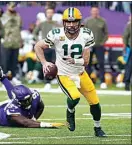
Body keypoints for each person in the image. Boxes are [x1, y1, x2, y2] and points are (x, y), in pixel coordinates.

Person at [34, 7, 106, 137]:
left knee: (95, 102)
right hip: (63, 74)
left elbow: (86, 60)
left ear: (79, 22)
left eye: (74, 21)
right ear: (64, 22)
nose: (71, 25)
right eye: (68, 21)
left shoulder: (86, 34)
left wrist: (75, 61)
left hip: (81, 73)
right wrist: (44, 62)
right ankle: (70, 111)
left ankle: (98, 127)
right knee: (75, 97)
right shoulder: (56, 34)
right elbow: (38, 46)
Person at [33, 7, 60, 90]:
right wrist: (38, 41)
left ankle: (60, 82)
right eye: (48, 12)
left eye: (51, 12)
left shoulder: (57, 24)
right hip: (46, 47)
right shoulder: (42, 23)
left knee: (58, 65)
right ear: (46, 14)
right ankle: (47, 82)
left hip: (56, 47)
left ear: (53, 14)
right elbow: (35, 32)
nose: (50, 14)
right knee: (46, 65)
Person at [84, 6, 108, 89]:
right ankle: (87, 82)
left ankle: (103, 82)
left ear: (98, 12)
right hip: (89, 46)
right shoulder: (87, 21)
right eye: (93, 11)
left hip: (99, 46)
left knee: (101, 63)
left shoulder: (103, 21)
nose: (95, 12)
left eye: (96, 11)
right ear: (91, 12)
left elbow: (106, 34)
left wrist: (102, 43)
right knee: (87, 64)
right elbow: (83, 33)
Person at [1, 2, 22, 85]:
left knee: (14, 62)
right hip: (7, 42)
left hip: (16, 42)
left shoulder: (18, 16)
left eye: (14, 6)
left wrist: (20, 40)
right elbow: (2, 27)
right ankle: (5, 80)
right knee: (6, 62)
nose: (13, 8)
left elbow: (19, 28)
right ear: (7, 6)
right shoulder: (4, 16)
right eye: (11, 6)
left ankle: (13, 77)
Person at [122, 15, 131, 91]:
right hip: (131, 49)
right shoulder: (129, 25)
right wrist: (124, 47)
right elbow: (125, 37)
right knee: (129, 67)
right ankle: (127, 85)